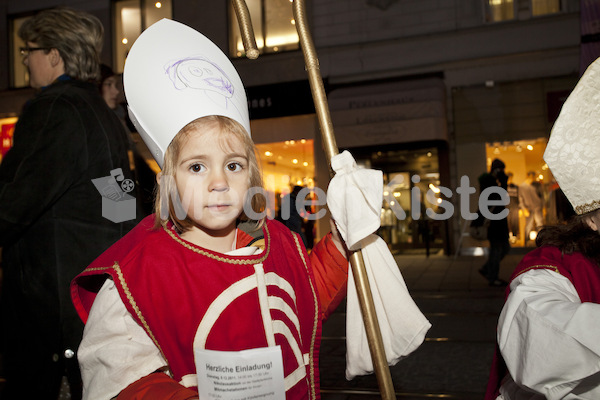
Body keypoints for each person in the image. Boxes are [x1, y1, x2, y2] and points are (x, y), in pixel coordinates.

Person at [70, 19, 349, 399]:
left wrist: (343, 240)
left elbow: (305, 296)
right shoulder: (139, 273)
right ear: (170, 180)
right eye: (197, 166)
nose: (219, 182)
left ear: (250, 175)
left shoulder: (273, 239)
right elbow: (122, 375)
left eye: (233, 165)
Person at [0, 7, 138, 399]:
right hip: (93, 298)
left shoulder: (53, 110)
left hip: (49, 305)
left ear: (55, 55)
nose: (25, 60)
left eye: (29, 50)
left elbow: (14, 203)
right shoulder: (103, 115)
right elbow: (121, 205)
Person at [485, 56, 600, 399]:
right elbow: (536, 340)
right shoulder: (550, 273)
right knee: (498, 249)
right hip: (501, 224)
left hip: (505, 222)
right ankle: (489, 270)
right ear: (592, 217)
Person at [99, 63, 156, 216]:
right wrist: (121, 212)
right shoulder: (101, 124)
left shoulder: (117, 116)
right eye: (108, 85)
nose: (116, 91)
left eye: (116, 85)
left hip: (128, 188)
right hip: (115, 195)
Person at [478, 158, 510, 286]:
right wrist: (503, 183)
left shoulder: (493, 182)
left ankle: (487, 269)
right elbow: (499, 198)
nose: (501, 172)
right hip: (494, 221)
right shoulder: (489, 182)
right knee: (497, 249)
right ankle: (493, 276)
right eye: (500, 169)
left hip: (498, 220)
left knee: (504, 248)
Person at [518, 170, 544, 243]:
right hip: (528, 207)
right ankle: (526, 241)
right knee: (528, 225)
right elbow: (520, 199)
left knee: (540, 224)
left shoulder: (537, 185)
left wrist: (543, 206)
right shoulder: (522, 186)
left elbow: (541, 197)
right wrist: (523, 208)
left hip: (537, 207)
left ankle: (541, 241)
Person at [506, 172, 519, 243]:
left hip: (514, 207)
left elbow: (518, 197)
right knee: (507, 222)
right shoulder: (503, 186)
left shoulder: (515, 186)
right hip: (506, 207)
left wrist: (519, 207)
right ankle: (508, 236)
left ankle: (514, 236)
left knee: (514, 221)